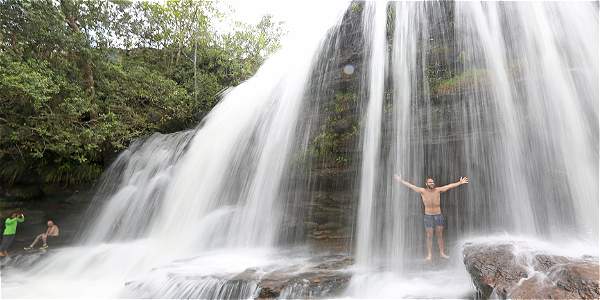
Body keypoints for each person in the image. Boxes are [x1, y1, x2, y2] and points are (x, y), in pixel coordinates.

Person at [393, 174, 468, 261]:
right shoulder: (422, 191)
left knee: (440, 235)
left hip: (438, 215)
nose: (432, 183)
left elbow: (448, 186)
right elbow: (411, 186)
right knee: (429, 236)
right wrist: (400, 180)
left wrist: (460, 182)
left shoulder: (438, 190)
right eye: (430, 182)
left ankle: (442, 253)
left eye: (433, 182)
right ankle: (429, 255)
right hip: (428, 216)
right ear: (426, 184)